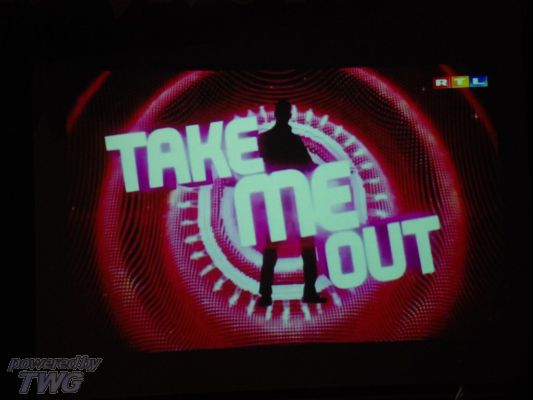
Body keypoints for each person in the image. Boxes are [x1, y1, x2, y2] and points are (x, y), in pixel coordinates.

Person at [256, 100, 327, 307]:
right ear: (287, 115)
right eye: (286, 112)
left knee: (275, 248)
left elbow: (269, 163)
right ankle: (308, 291)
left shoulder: (265, 138)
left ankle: (266, 294)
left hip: (281, 197)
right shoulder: (288, 139)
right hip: (294, 197)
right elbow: (307, 165)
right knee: (305, 247)